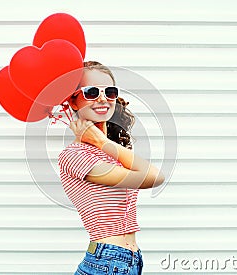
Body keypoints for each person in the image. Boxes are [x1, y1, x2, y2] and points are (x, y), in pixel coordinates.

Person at [58, 61, 165, 274]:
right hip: (107, 263)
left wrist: (103, 143)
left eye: (110, 92)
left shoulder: (111, 150)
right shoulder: (74, 156)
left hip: (129, 260)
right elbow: (154, 177)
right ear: (73, 101)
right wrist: (100, 142)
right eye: (91, 92)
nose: (102, 99)